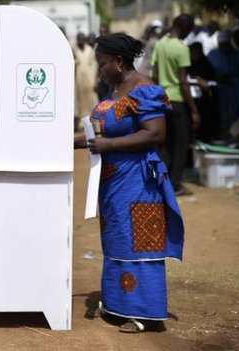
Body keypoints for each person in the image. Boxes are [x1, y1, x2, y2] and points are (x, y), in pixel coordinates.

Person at [74, 33, 184, 333]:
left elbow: (155, 134)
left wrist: (109, 146)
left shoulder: (143, 89)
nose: (100, 69)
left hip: (139, 183)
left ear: (119, 62)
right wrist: (70, 141)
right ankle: (117, 304)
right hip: (113, 183)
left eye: (103, 63)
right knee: (118, 239)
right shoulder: (116, 87)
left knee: (140, 243)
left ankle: (145, 313)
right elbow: (100, 134)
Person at [151, 13, 200, 196]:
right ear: (185, 28)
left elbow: (155, 75)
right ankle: (176, 184)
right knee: (180, 144)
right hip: (178, 101)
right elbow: (183, 81)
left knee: (166, 144)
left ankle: (163, 182)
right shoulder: (181, 48)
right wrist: (194, 110)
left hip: (162, 100)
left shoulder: (160, 44)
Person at [207, 30, 239, 138]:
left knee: (237, 113)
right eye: (222, 45)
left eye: (226, 45)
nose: (224, 48)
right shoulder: (212, 55)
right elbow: (208, 73)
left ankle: (235, 134)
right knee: (220, 114)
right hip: (219, 89)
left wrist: (232, 79)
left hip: (235, 89)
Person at [187, 41, 219, 142]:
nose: (196, 56)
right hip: (191, 99)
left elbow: (213, 81)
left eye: (198, 53)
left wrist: (206, 83)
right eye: (193, 53)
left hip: (204, 99)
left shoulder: (206, 64)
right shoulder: (187, 65)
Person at [74, 32, 98, 130]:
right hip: (79, 83)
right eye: (79, 39)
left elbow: (96, 67)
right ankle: (82, 125)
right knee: (81, 104)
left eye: (82, 38)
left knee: (92, 102)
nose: (81, 41)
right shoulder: (75, 51)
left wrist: (95, 81)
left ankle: (95, 124)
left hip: (90, 82)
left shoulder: (90, 50)